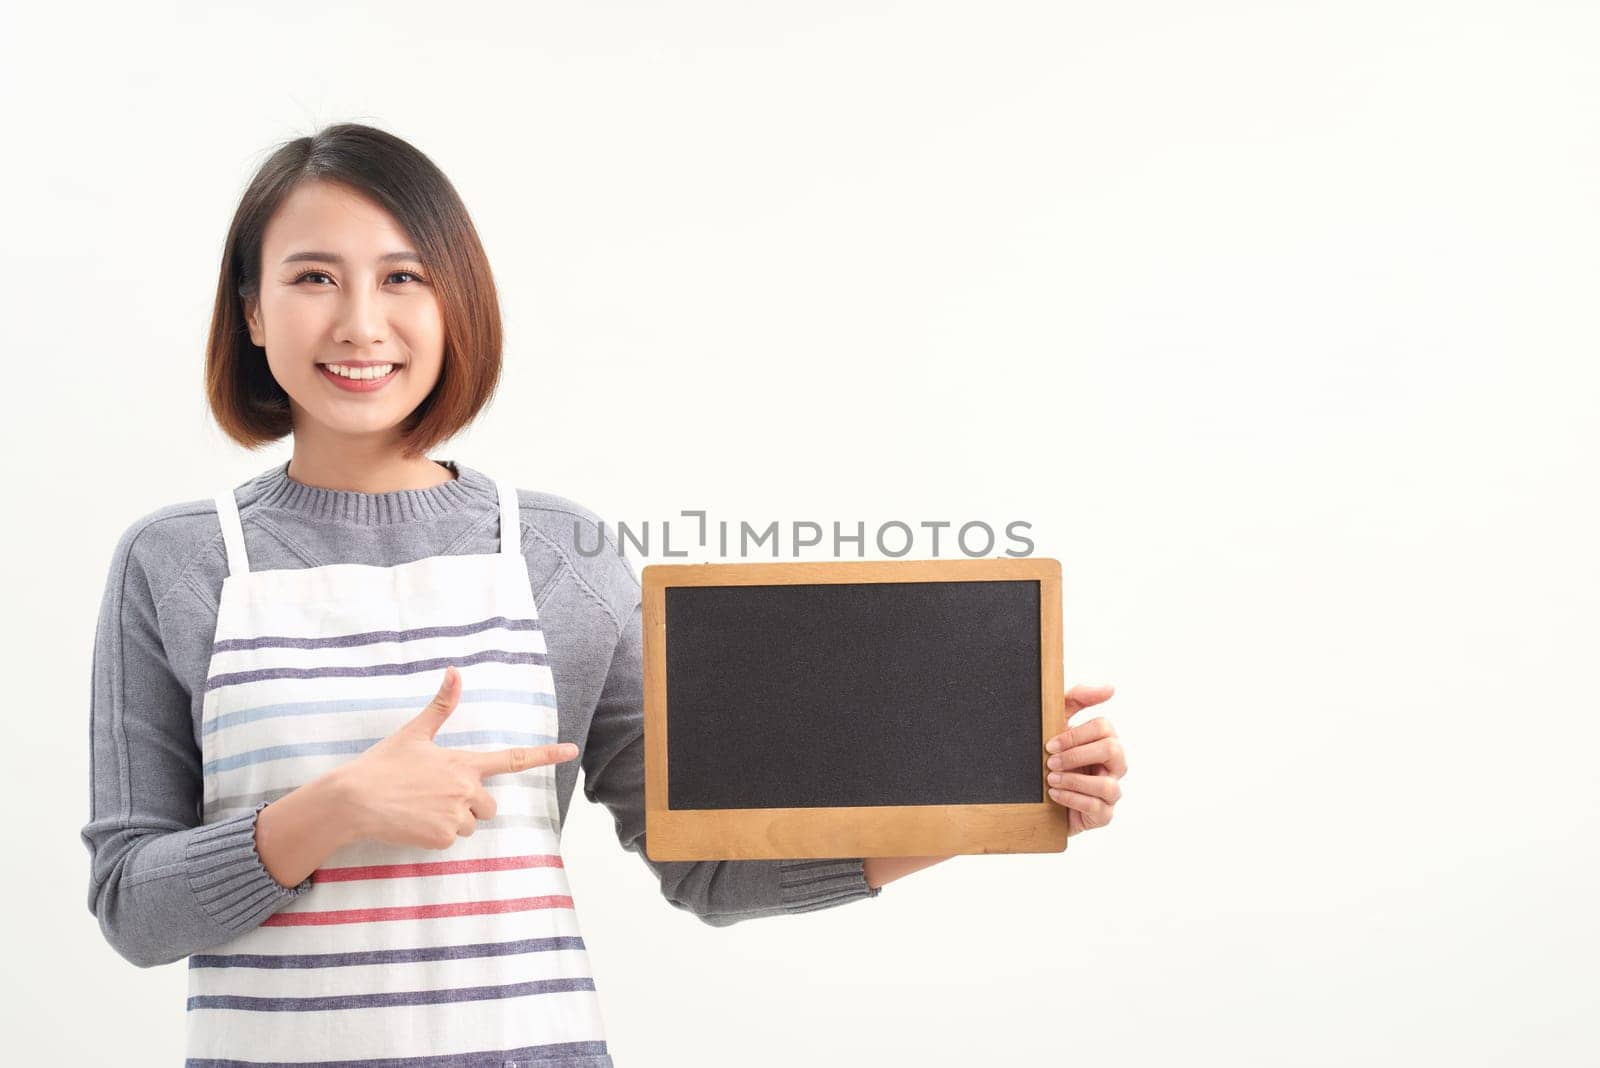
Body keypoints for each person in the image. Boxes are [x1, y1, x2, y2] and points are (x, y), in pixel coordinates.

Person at [80, 122, 1127, 1066]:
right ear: (252, 312)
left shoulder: (553, 551)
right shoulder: (179, 560)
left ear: (457, 305)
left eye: (403, 278)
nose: (361, 323)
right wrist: (331, 811)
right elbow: (132, 907)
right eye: (314, 278)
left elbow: (707, 869)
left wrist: (995, 801)